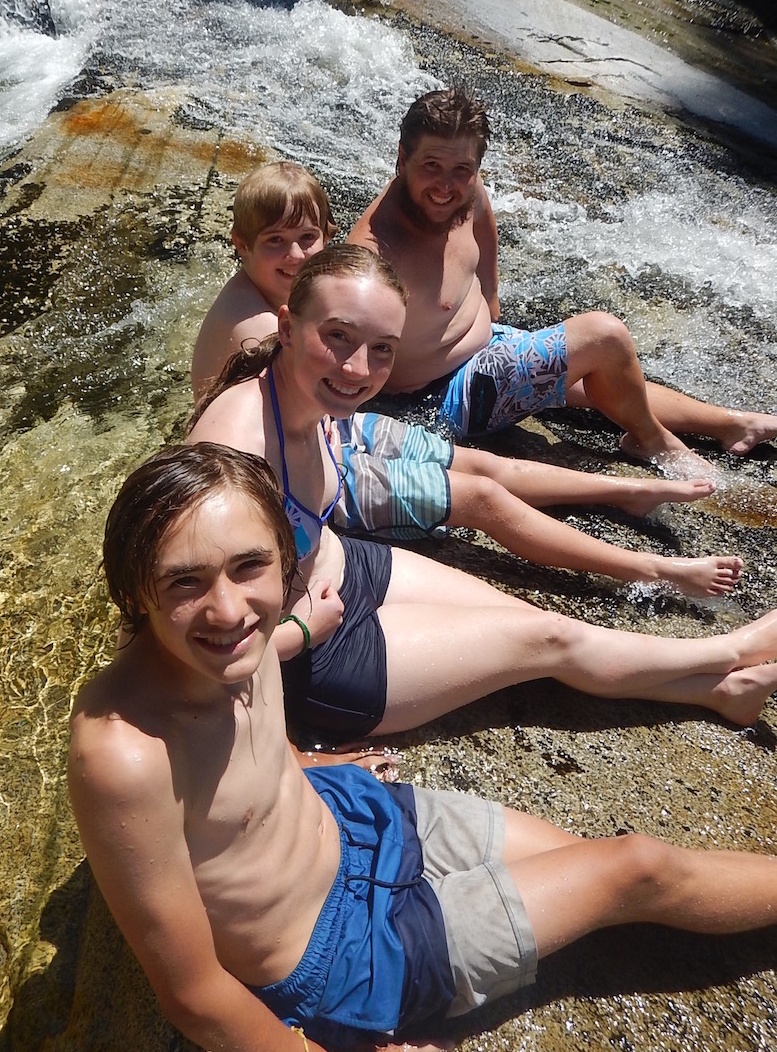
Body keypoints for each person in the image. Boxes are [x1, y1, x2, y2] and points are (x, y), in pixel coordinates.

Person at [68, 439, 777, 1052]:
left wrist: (302, 761)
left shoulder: (238, 636)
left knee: (597, 869)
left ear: (285, 559)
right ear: (136, 589)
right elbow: (192, 994)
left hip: (354, 818)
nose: (227, 610)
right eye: (184, 581)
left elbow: (249, 709)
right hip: (343, 955)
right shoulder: (125, 755)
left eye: (249, 567)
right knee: (637, 868)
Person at [187, 243, 777, 742]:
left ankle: (721, 693)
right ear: (286, 327)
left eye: (383, 347)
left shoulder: (312, 400)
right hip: (319, 659)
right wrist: (304, 637)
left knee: (546, 627)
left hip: (343, 568)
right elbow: (187, 648)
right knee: (549, 639)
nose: (360, 369)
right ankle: (730, 653)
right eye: (338, 336)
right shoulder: (232, 457)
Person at [191, 162, 737, 598]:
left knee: (484, 464)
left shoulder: (296, 291)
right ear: (241, 244)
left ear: (327, 236)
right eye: (275, 241)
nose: (295, 254)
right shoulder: (254, 327)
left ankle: (628, 491)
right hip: (317, 475)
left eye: (307, 238)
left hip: (332, 432)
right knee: (482, 497)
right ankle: (651, 569)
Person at [346, 88, 777, 471]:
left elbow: (483, 230)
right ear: (402, 158)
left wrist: (491, 305)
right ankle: (650, 440)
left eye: (462, 168)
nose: (446, 185)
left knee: (608, 374)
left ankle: (732, 423)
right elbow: (346, 348)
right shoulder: (375, 254)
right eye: (431, 165)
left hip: (484, 349)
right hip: (443, 395)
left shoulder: (467, 193)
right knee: (604, 338)